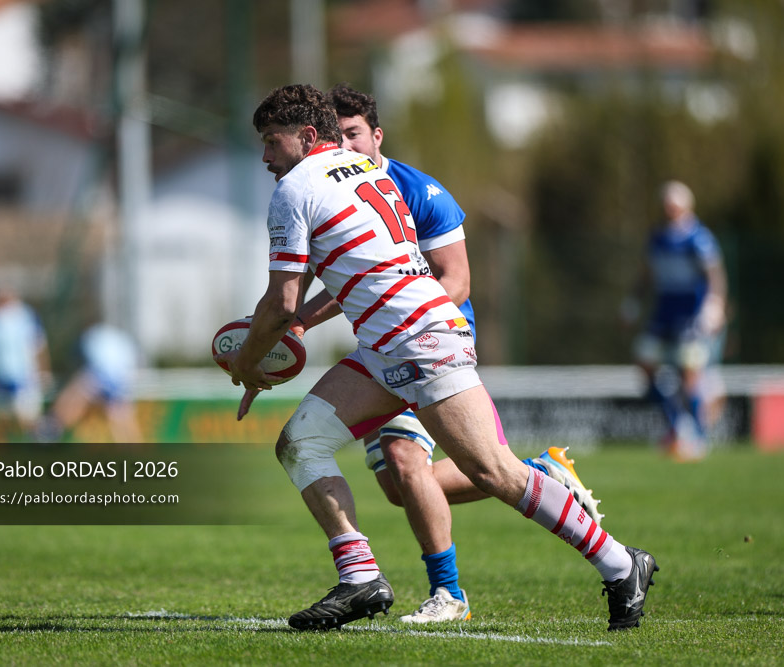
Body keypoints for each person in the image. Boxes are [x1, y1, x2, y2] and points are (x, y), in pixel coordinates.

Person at [217, 84, 657, 632]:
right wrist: (262, 354)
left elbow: (283, 303)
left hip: (420, 337)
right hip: (388, 343)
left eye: (271, 142)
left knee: (492, 471)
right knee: (301, 443)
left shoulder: (295, 189)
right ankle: (360, 578)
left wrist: (247, 364)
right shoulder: (365, 171)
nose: (265, 157)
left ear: (307, 137)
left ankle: (621, 564)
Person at [621, 180, 728, 460]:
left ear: (685, 207)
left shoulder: (698, 238)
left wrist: (714, 305)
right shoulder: (657, 238)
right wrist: (632, 303)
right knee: (644, 364)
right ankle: (676, 424)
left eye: (675, 206)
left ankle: (697, 435)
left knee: (689, 374)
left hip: (690, 314)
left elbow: (715, 275)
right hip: (663, 313)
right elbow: (646, 274)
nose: (670, 211)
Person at [38, 323, 143, 443]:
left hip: (106, 373)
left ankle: (51, 427)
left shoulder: (91, 340)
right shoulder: (111, 340)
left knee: (80, 394)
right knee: (120, 414)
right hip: (117, 374)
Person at [0, 286, 51, 440]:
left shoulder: (26, 316)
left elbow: (38, 346)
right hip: (1, 378)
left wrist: (43, 371)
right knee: (3, 419)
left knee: (28, 419)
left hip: (25, 377)